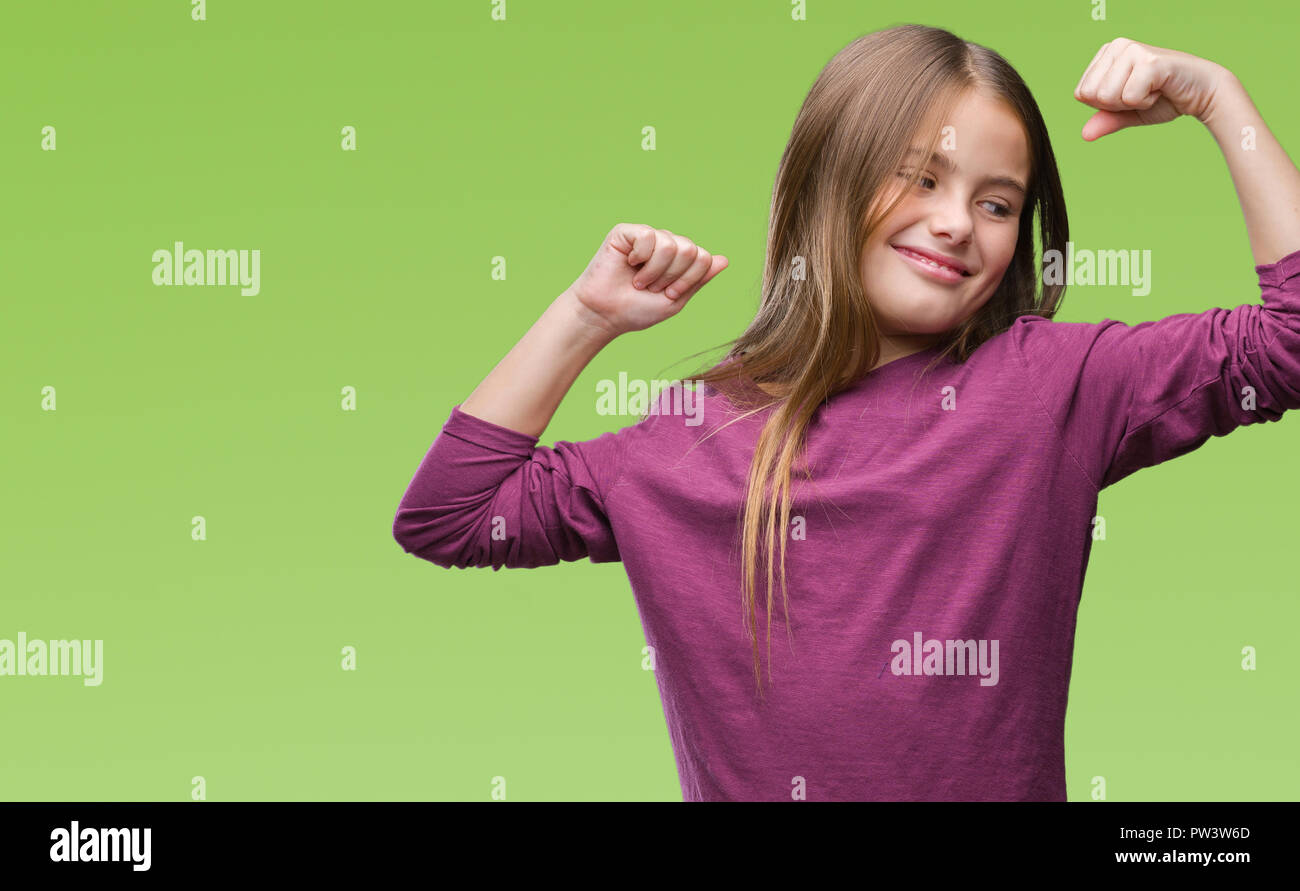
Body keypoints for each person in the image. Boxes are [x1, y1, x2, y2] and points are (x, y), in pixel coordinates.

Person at [392, 25, 1300, 801]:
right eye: (922, 179)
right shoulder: (685, 439)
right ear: (827, 183)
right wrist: (584, 318)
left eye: (996, 204)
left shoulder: (1054, 386)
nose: (957, 224)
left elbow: (1288, 345)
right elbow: (450, 515)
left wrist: (1219, 99)